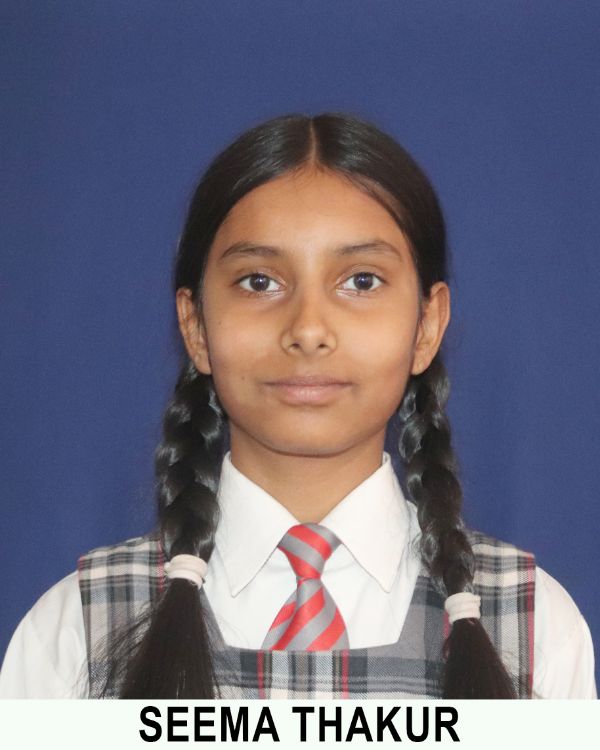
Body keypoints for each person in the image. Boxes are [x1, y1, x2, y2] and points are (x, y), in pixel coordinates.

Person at [0, 112, 596, 700]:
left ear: (427, 325)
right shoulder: (75, 634)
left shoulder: (533, 630)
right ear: (196, 325)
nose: (308, 329)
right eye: (260, 281)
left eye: (361, 281)